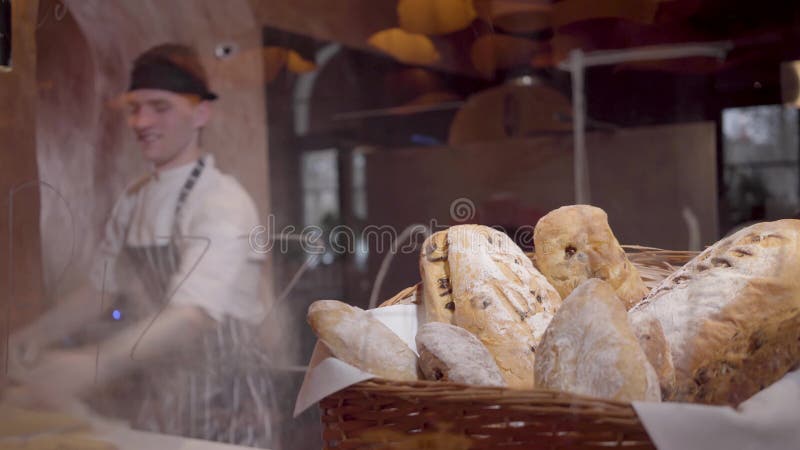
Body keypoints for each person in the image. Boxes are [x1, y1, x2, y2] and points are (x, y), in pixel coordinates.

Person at [6, 43, 275, 448]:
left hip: (227, 399)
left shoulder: (223, 201)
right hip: (163, 391)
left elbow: (192, 315)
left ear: (201, 112)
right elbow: (102, 289)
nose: (141, 121)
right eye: (135, 107)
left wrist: (93, 365)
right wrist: (36, 335)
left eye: (160, 107)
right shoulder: (133, 200)